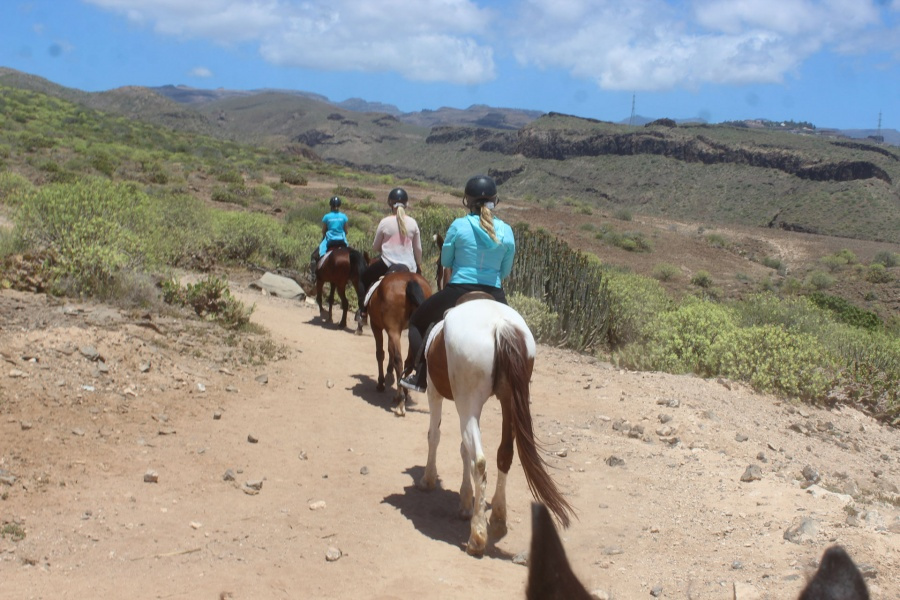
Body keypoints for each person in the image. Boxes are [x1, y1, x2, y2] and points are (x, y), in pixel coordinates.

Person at [399, 175, 515, 393]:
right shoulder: (507, 231)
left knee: (416, 321)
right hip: (495, 291)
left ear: (467, 201)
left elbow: (445, 261)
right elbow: (505, 271)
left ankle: (420, 376)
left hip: (460, 288)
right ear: (495, 201)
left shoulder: (459, 225)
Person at [357, 188, 423, 321]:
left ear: (390, 204)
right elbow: (418, 249)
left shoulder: (384, 222)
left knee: (363, 279)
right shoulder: (413, 223)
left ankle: (363, 312)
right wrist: (418, 264)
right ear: (406, 204)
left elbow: (375, 247)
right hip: (409, 265)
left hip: (387, 263)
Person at [309, 196, 349, 281]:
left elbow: (323, 231)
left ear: (330, 205)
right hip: (342, 241)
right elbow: (346, 231)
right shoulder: (344, 217)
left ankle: (313, 276)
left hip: (330, 240)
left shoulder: (327, 217)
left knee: (313, 256)